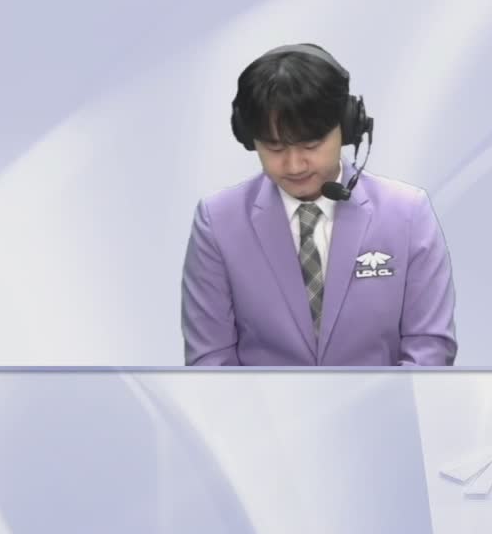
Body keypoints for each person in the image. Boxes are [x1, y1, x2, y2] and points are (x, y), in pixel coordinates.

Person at [181, 44, 457, 365]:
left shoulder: (408, 212)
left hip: (386, 400)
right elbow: (211, 361)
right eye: (274, 147)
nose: (294, 165)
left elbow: (429, 348)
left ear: (348, 127)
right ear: (249, 138)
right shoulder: (217, 221)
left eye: (311, 144)